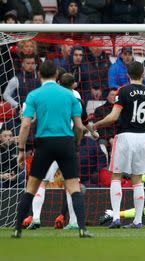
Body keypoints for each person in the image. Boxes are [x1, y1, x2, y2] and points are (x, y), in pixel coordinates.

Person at [12, 60, 91, 238]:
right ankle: (82, 228)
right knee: (73, 186)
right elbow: (79, 127)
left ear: (39, 75)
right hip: (66, 143)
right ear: (56, 76)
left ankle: (17, 229)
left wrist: (21, 150)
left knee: (32, 186)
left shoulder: (34, 95)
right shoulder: (70, 95)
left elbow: (25, 126)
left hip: (44, 144)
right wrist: (76, 142)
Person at [23, 72, 98, 230]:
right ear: (74, 85)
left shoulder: (50, 95)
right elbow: (82, 122)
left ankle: (35, 217)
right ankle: (74, 222)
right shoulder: (75, 97)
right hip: (67, 143)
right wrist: (90, 132)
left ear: (58, 82)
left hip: (47, 141)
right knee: (71, 184)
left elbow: (35, 117)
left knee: (41, 182)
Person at [93, 61, 145, 229]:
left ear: (128, 75)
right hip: (143, 137)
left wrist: (96, 125)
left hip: (125, 136)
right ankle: (138, 221)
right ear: (143, 74)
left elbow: (113, 117)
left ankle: (116, 217)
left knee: (117, 175)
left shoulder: (122, 91)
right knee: (138, 179)